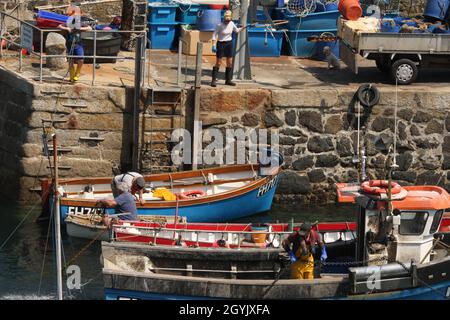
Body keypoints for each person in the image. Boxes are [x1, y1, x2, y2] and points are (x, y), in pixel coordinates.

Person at [57, 7, 92, 83]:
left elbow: (90, 28)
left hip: (78, 43)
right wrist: (66, 29)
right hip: (69, 44)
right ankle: (72, 75)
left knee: (81, 60)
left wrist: (79, 28)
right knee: (71, 60)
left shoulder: (80, 23)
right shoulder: (68, 22)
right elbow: (59, 26)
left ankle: (77, 73)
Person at [211, 10, 242, 87]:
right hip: (221, 43)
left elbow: (237, 31)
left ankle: (228, 80)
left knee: (230, 62)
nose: (227, 22)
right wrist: (213, 45)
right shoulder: (219, 25)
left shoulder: (231, 24)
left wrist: (243, 27)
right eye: (226, 20)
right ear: (224, 18)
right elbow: (214, 35)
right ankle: (213, 80)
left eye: (228, 20)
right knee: (218, 62)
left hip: (229, 43)